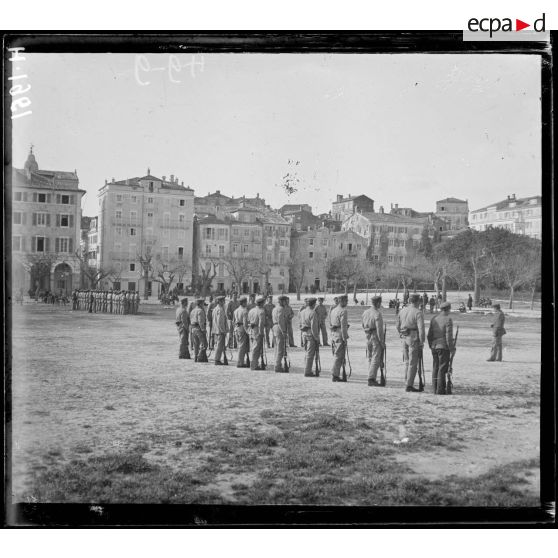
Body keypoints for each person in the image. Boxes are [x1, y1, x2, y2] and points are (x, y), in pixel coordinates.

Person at [396, 293, 426, 392]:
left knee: (407, 362)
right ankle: (409, 385)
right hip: (413, 337)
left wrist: (401, 333)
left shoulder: (402, 311)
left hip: (404, 336)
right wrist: (422, 342)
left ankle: (406, 381)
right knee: (413, 363)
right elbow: (421, 329)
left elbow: (397, 325)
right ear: (418, 301)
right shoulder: (418, 312)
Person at [427, 301, 455, 394]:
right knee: (442, 368)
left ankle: (434, 388)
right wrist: (452, 348)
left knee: (435, 367)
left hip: (434, 346)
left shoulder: (434, 318)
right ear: (448, 309)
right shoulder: (448, 319)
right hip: (443, 347)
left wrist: (431, 345)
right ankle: (440, 389)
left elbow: (429, 335)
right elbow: (448, 337)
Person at [362, 295, 385, 387]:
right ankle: (371, 378)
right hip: (375, 336)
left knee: (370, 357)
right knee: (376, 357)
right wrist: (382, 341)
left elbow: (363, 325)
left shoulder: (365, 312)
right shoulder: (377, 314)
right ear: (378, 303)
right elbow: (379, 330)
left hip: (368, 335)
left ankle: (371, 375)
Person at [330, 294, 349, 382]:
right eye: (346, 301)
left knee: (336, 355)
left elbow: (331, 323)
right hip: (340, 334)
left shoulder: (333, 310)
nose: (347, 303)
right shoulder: (343, 311)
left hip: (334, 334)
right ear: (342, 301)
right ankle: (335, 375)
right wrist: (345, 338)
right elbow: (343, 327)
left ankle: (335, 374)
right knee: (338, 356)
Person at [299, 297, 320, 377]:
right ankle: (307, 371)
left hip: (304, 333)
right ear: (314, 304)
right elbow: (314, 327)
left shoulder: (302, 312)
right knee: (310, 354)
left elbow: (300, 323)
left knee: (307, 352)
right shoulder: (313, 313)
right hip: (311, 334)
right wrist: (317, 338)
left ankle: (307, 368)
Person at [272, 295, 289, 373]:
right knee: (280, 349)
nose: (286, 302)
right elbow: (281, 321)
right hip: (279, 329)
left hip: (275, 327)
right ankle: (277, 366)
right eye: (285, 301)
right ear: (282, 301)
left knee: (276, 347)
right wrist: (284, 332)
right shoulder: (281, 309)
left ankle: (276, 363)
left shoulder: (274, 309)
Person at [248, 296, 266, 370]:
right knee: (256, 348)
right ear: (262, 303)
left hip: (251, 330)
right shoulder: (261, 311)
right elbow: (261, 323)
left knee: (253, 347)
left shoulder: (251, 310)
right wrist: (261, 333)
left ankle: (254, 363)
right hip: (257, 330)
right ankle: (254, 365)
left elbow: (248, 321)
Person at [234, 296, 250, 368]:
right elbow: (245, 323)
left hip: (236, 328)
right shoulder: (245, 311)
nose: (246, 303)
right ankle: (240, 362)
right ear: (243, 303)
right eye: (246, 302)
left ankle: (241, 361)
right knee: (242, 346)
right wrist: (248, 332)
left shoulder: (236, 310)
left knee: (239, 345)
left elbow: (234, 321)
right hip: (242, 329)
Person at [190, 298, 208, 362]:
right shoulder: (200, 311)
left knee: (196, 344)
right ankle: (201, 358)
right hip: (199, 329)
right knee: (204, 344)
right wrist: (203, 329)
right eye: (203, 304)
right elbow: (201, 321)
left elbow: (191, 320)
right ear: (200, 304)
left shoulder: (193, 310)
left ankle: (195, 357)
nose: (203, 305)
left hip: (193, 328)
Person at [212, 295, 228, 365]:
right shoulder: (220, 310)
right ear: (220, 301)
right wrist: (223, 330)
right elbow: (220, 321)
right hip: (220, 330)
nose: (224, 302)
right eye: (223, 301)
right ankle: (217, 359)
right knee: (219, 346)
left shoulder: (215, 309)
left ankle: (217, 359)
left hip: (215, 330)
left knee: (218, 345)